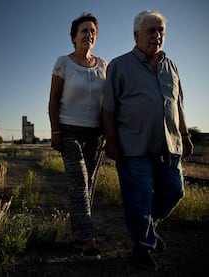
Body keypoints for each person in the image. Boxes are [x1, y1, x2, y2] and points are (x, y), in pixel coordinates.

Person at [102, 10, 193, 270]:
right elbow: (108, 108)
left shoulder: (171, 66)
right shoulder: (119, 65)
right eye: (151, 30)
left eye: (161, 30)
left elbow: (179, 105)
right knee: (138, 198)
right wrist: (111, 141)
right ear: (136, 34)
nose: (157, 35)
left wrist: (185, 136)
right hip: (134, 146)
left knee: (174, 192)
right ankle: (142, 248)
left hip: (170, 144)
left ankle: (148, 227)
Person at [48, 13, 106, 259]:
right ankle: (88, 241)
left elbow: (109, 102)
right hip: (69, 130)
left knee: (88, 187)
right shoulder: (63, 63)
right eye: (84, 31)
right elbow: (53, 100)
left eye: (92, 31)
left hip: (95, 134)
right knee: (80, 184)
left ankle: (76, 234)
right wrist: (56, 132)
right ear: (74, 37)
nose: (89, 35)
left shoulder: (103, 65)